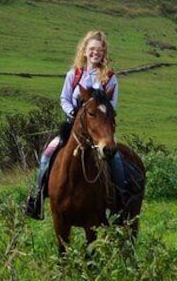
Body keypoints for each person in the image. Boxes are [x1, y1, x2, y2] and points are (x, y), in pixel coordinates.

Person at [24, 29, 123, 220]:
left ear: (104, 53)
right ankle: (37, 198)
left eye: (100, 50)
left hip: (99, 130)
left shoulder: (109, 77)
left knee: (116, 160)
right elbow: (64, 98)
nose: (96, 53)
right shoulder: (74, 74)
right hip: (74, 128)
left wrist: (98, 119)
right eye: (92, 49)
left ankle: (119, 201)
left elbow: (111, 106)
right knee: (47, 154)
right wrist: (73, 113)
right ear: (85, 50)